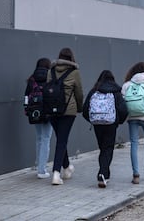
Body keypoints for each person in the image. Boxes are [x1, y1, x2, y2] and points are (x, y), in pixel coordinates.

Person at [82, 70, 128, 188]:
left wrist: (93, 119)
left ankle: (105, 174)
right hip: (111, 124)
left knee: (103, 148)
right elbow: (123, 110)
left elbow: (85, 109)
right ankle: (102, 173)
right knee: (107, 149)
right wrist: (118, 121)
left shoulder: (94, 91)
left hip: (97, 124)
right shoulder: (116, 91)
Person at [49, 48, 84, 185]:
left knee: (60, 140)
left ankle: (67, 167)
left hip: (51, 111)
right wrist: (79, 108)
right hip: (68, 111)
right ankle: (56, 174)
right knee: (61, 141)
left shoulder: (50, 71)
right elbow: (79, 93)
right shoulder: (74, 72)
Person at [24, 57, 53, 179]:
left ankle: (39, 165)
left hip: (35, 112)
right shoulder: (50, 78)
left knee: (39, 138)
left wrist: (26, 109)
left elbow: (26, 95)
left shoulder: (31, 79)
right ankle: (42, 170)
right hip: (47, 112)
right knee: (46, 139)